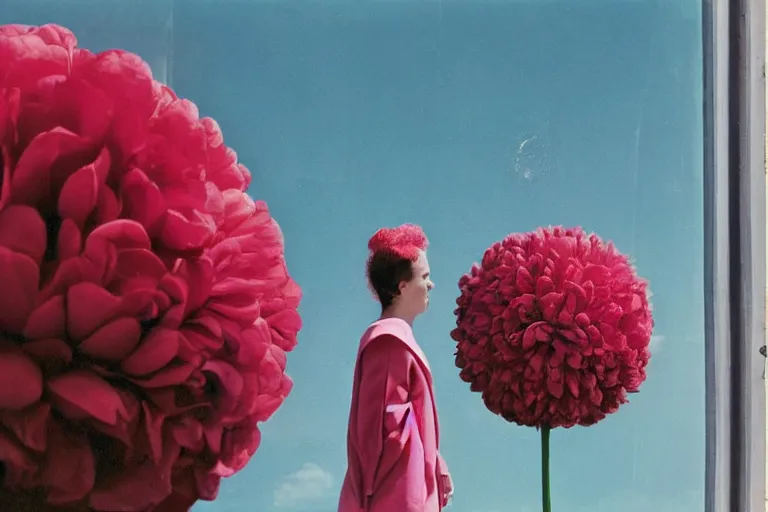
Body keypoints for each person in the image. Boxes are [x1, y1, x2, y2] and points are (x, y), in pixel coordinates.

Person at [338, 224, 453, 512]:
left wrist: (436, 465)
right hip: (395, 496)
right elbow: (375, 428)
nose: (431, 284)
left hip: (405, 491)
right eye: (425, 276)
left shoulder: (396, 339)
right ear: (402, 287)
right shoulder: (389, 340)